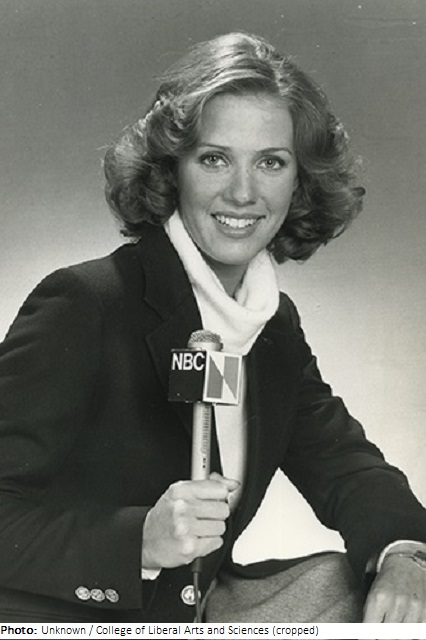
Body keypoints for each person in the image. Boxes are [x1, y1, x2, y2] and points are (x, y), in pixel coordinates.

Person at [0, 31, 426, 624]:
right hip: (71, 622)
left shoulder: (271, 326)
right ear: (172, 168)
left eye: (271, 162)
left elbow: (348, 468)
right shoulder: (86, 302)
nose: (243, 193)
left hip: (195, 611)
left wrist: (406, 556)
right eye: (214, 158)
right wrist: (137, 542)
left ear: (300, 180)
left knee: (371, 589)